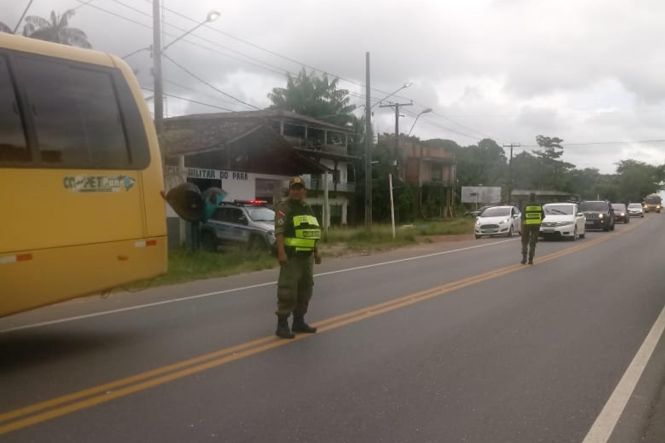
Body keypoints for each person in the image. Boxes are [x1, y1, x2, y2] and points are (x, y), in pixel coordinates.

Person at [273, 176, 322, 339]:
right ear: (290, 190)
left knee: (305, 290)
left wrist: (316, 251)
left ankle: (299, 321)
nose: (296, 191)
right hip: (291, 257)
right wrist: (281, 252)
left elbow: (311, 231)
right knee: (288, 290)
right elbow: (279, 232)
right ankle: (282, 325)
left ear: (304, 191)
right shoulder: (284, 207)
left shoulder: (307, 208)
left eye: (299, 188)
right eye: (294, 188)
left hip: (306, 257)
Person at [521, 193, 544, 265]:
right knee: (533, 243)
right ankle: (531, 260)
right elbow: (543, 216)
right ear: (535, 198)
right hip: (536, 225)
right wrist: (539, 221)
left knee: (524, 242)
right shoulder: (539, 205)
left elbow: (522, 217)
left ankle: (524, 258)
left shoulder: (526, 205)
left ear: (529, 198)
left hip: (527, 225)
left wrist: (523, 224)